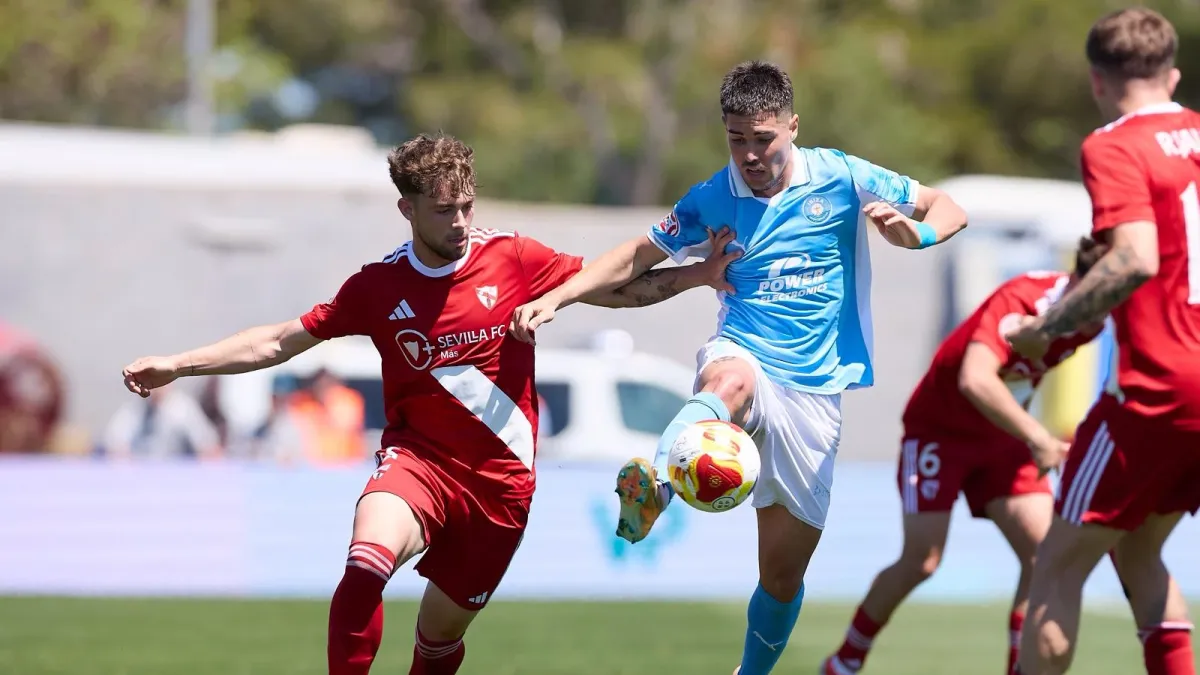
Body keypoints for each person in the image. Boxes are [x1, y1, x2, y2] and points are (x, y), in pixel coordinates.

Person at [120, 132, 737, 675]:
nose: (461, 222)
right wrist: (180, 363)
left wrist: (698, 274)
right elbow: (280, 340)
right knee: (365, 564)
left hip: (501, 487)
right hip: (418, 463)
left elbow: (618, 290)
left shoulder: (513, 258)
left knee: (437, 643)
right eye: (444, 211)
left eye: (467, 206)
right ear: (407, 209)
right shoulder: (377, 287)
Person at [510, 61, 969, 675]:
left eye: (763, 139)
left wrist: (919, 235)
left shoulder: (842, 176)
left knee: (781, 576)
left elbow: (947, 205)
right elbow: (636, 255)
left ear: (792, 127)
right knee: (729, 381)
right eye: (736, 139)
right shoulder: (711, 198)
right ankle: (658, 484)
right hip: (745, 348)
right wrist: (558, 297)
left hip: (815, 393)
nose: (749, 155)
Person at [824, 238, 1138, 675]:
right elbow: (975, 379)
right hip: (941, 432)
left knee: (1043, 555)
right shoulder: (1024, 298)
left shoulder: (1092, 322)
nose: (1105, 312)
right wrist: (1039, 436)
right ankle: (846, 660)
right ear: (1080, 280)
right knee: (922, 561)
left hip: (1005, 438)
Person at [1006, 8, 1200, 675]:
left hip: (1159, 390)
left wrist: (1044, 328)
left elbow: (1136, 260)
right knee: (1139, 548)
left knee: (1056, 565)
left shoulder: (1114, 145)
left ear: (1097, 80)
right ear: (1172, 75)